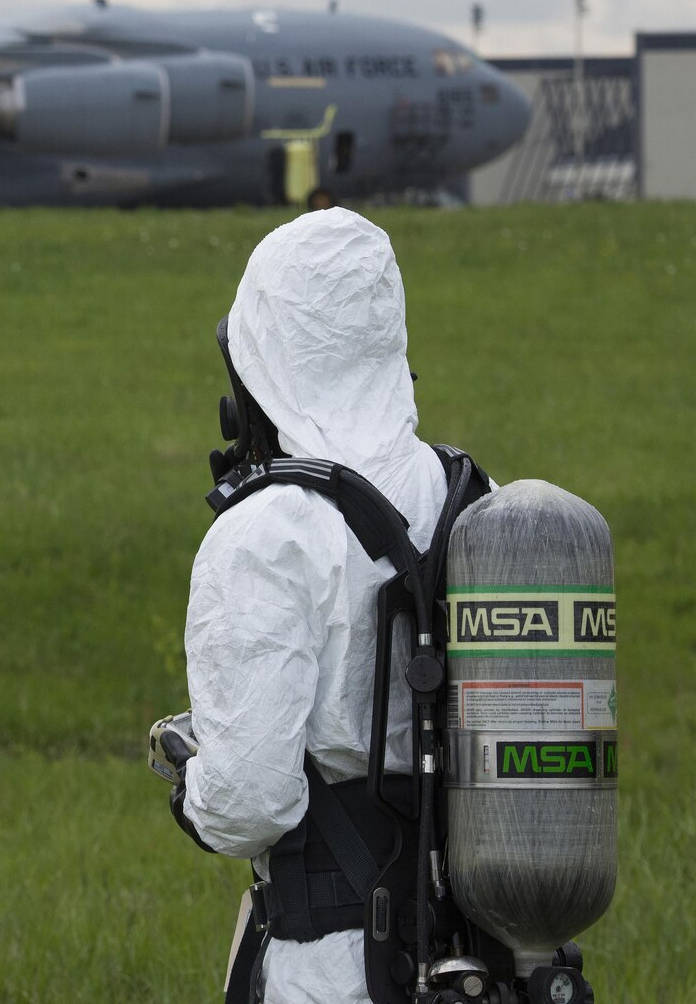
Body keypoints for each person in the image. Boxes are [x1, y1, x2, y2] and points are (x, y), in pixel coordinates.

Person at [162, 208, 481, 1004]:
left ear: (261, 356)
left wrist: (188, 784)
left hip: (333, 966)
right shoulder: (473, 499)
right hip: (474, 952)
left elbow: (247, 803)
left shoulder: (266, 533)